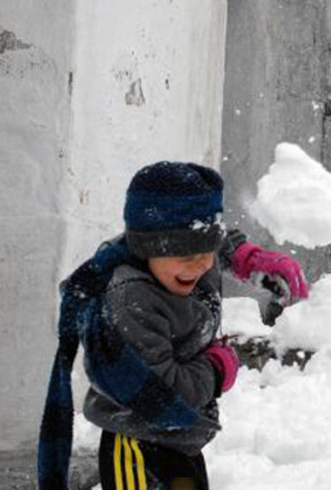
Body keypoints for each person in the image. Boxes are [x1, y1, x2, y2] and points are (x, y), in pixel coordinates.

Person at [37, 161, 310, 490]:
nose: (200, 266)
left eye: (205, 253)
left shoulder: (183, 256)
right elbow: (164, 391)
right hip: (140, 447)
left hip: (178, 438)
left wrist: (249, 258)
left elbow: (214, 243)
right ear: (149, 249)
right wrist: (216, 370)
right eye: (186, 257)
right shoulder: (132, 302)